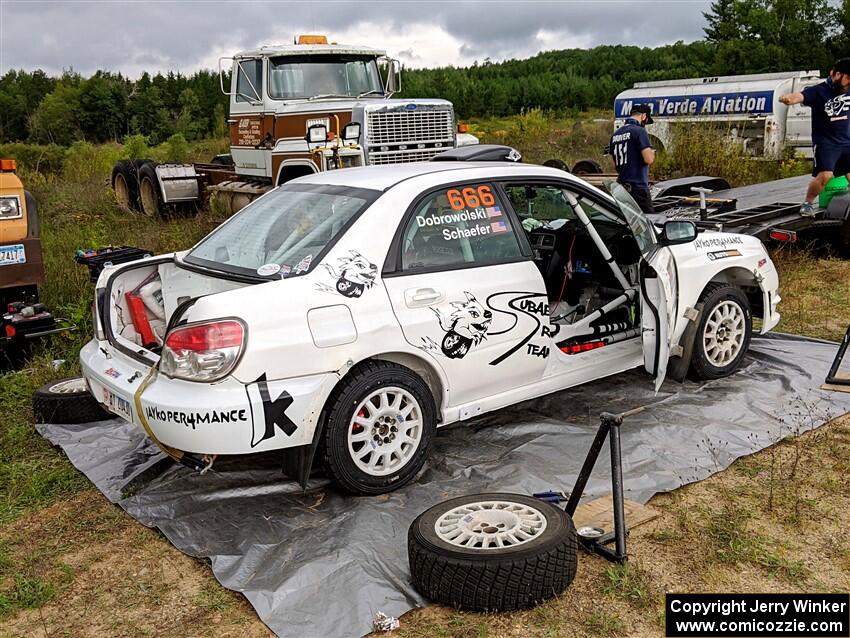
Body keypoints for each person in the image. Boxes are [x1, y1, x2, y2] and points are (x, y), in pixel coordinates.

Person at [779, 58, 850, 216]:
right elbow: (801, 96)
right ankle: (808, 203)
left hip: (847, 142)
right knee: (826, 175)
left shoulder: (848, 88)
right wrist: (789, 98)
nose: (848, 83)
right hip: (826, 143)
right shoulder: (819, 91)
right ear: (837, 74)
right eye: (848, 78)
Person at [608, 104, 656, 216]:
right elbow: (648, 159)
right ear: (644, 116)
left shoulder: (615, 135)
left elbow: (615, 163)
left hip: (621, 188)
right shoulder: (639, 131)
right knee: (651, 222)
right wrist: (652, 153)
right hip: (638, 188)